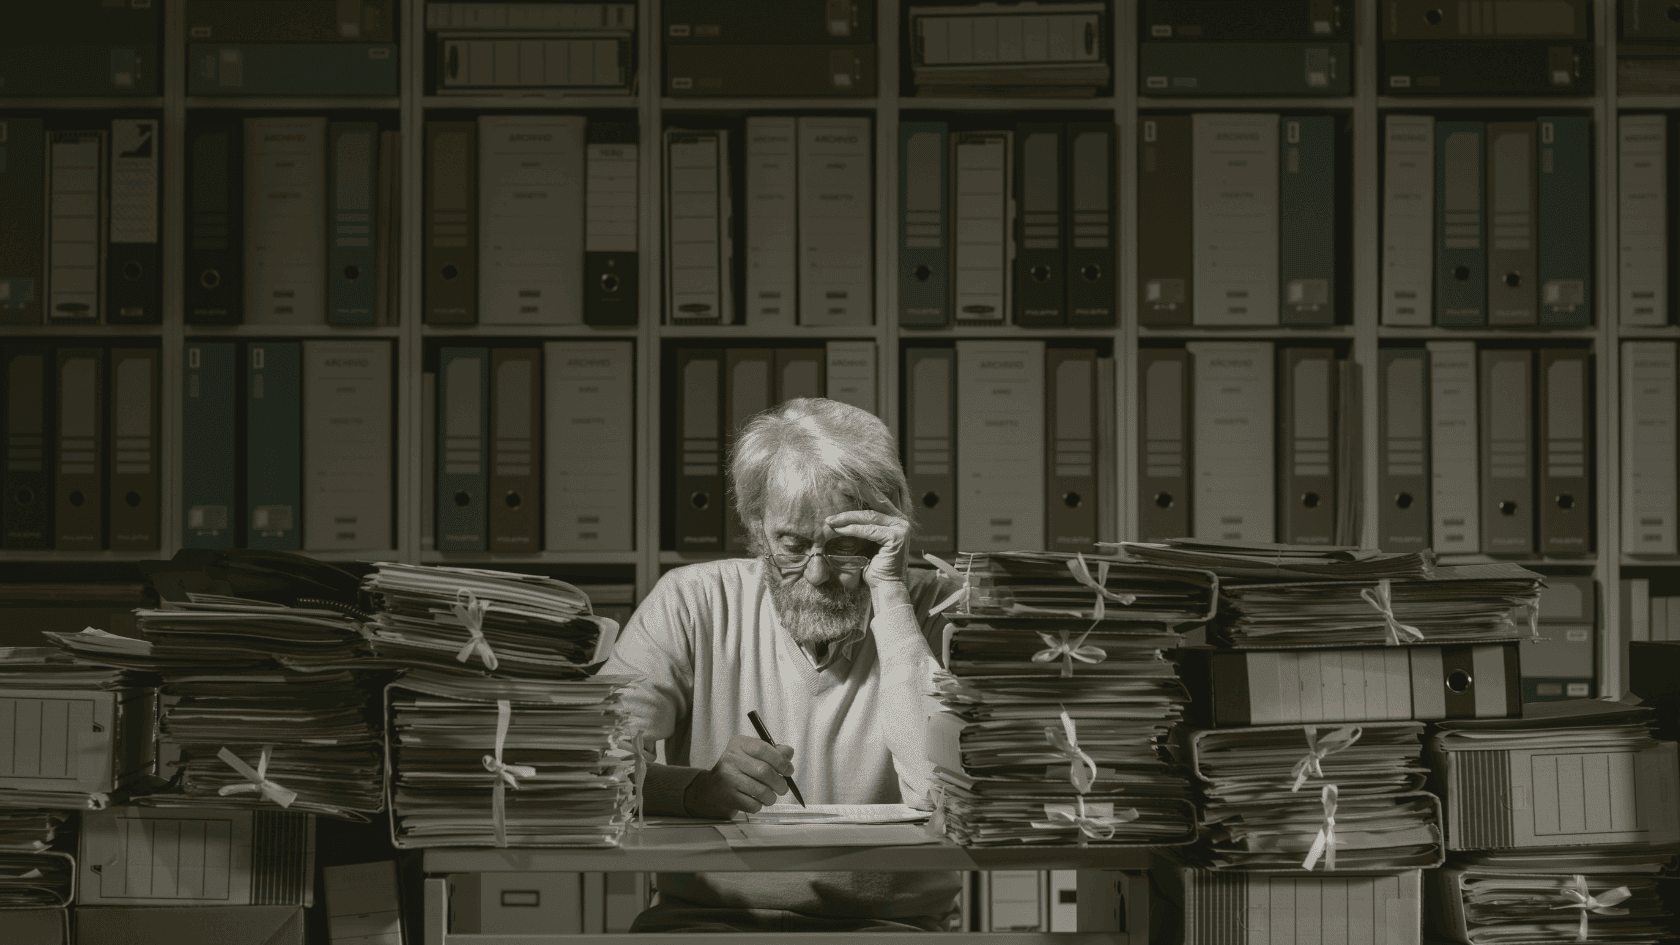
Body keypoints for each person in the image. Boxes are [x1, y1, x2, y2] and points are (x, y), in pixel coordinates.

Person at [601, 397, 961, 934]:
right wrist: (695, 792)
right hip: (708, 922)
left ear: (889, 528)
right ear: (755, 526)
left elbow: (948, 798)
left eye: (845, 547)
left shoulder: (939, 611)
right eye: (792, 543)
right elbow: (591, 767)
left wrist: (889, 594)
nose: (816, 574)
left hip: (894, 929)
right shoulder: (690, 601)